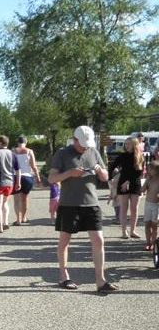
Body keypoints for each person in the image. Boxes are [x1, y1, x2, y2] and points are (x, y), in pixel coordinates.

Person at [48, 125, 117, 293]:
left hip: (91, 203)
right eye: (82, 143)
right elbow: (51, 178)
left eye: (88, 143)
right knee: (64, 241)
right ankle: (64, 277)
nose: (85, 147)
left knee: (99, 240)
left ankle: (100, 280)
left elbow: (106, 176)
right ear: (75, 139)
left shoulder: (93, 151)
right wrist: (70, 173)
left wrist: (101, 172)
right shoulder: (62, 153)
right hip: (69, 204)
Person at [108, 136, 144, 239]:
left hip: (135, 184)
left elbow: (139, 173)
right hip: (122, 183)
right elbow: (112, 166)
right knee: (123, 208)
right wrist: (110, 178)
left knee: (134, 209)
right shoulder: (122, 156)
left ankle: (133, 231)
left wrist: (127, 182)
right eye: (126, 143)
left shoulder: (140, 156)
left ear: (134, 145)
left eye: (129, 143)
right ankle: (124, 232)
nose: (127, 145)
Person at [11, 136, 41, 225]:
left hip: (16, 176)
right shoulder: (29, 151)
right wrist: (38, 177)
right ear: (26, 142)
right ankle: (24, 218)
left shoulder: (13, 151)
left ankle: (18, 219)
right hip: (27, 176)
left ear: (17, 142)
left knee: (16, 200)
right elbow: (34, 166)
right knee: (24, 199)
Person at [140, 161, 159, 251]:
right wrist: (147, 180)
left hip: (156, 205)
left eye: (150, 169)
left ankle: (154, 243)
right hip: (148, 204)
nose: (148, 171)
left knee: (155, 225)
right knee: (147, 224)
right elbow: (142, 190)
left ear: (156, 170)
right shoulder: (149, 179)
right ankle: (148, 242)